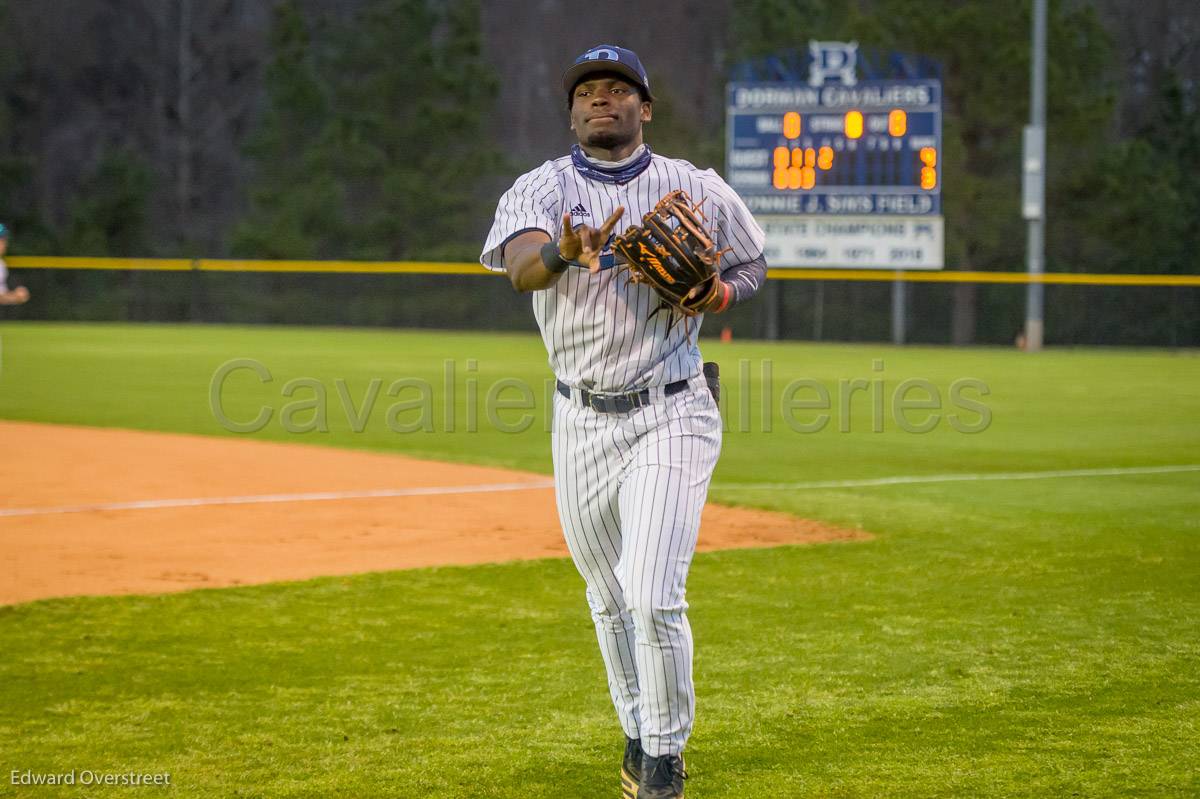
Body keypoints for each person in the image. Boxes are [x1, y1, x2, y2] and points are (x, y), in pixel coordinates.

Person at [480, 45, 766, 799]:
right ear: (572, 112)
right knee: (607, 598)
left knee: (650, 592)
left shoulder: (694, 187)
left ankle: (666, 758)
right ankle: (638, 731)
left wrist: (718, 297)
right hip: (579, 421)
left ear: (645, 107)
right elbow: (517, 269)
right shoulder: (539, 189)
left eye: (618, 89)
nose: (601, 99)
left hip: (673, 406)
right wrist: (562, 254)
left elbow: (752, 265)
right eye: (588, 91)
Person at [0, 223, 31, 305]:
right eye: (2, 240)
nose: (5, 244)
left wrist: (15, 297)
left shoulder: (1, 265)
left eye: (4, 240)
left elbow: (1, 297)